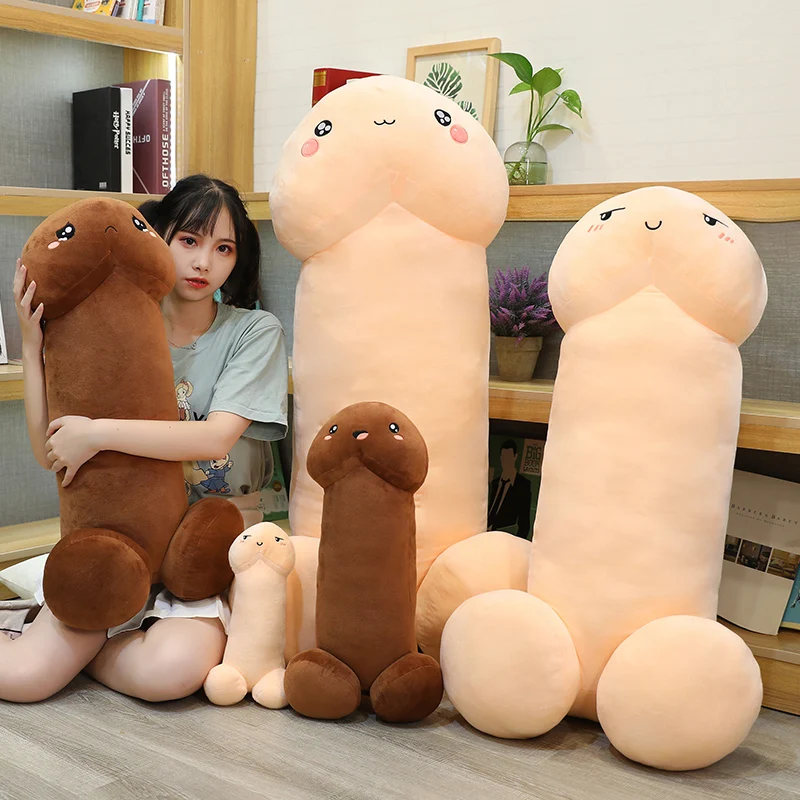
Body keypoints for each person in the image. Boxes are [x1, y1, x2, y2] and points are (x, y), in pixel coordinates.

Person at [0, 175, 288, 703]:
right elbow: (48, 451)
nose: (203, 262)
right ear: (158, 239)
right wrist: (33, 346)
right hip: (118, 543)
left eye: (223, 248)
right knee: (20, 680)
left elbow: (215, 439)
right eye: (189, 240)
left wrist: (97, 433)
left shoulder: (253, 331)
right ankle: (91, 636)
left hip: (202, 551)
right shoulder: (118, 326)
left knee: (168, 675)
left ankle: (90, 646)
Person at [487, 440, 532, 539]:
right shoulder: (495, 483)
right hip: (484, 535)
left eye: (508, 457)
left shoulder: (523, 485)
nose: (505, 461)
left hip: (505, 539)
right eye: (503, 457)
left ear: (515, 457)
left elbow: (524, 523)